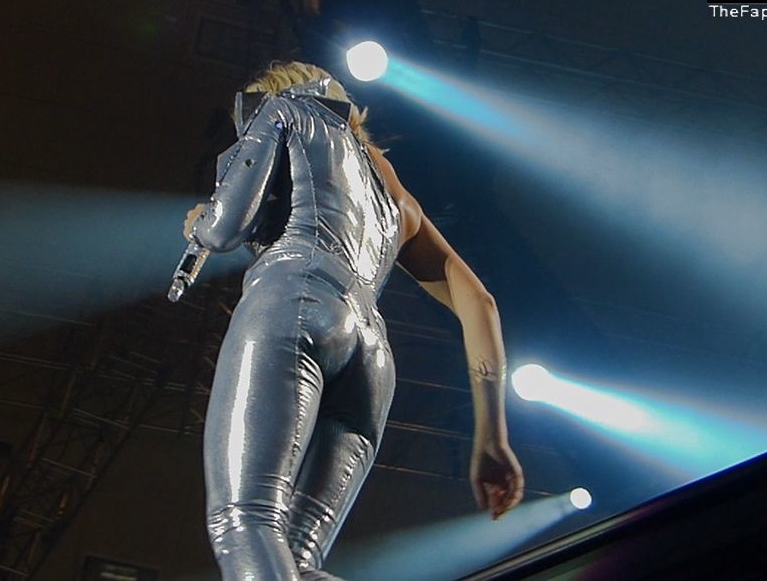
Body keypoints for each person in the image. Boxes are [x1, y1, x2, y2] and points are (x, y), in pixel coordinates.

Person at [182, 61, 524, 580]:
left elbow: (223, 229)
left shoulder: (282, 111)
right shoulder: (394, 194)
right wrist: (493, 436)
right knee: (300, 559)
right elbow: (480, 303)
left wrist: (199, 224)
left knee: (245, 520)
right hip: (371, 359)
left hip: (294, 302)